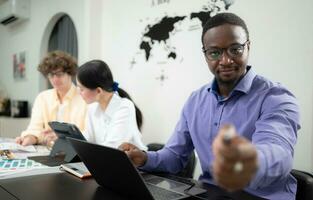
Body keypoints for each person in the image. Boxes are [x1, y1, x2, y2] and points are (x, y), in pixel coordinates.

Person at [119, 13, 300, 200]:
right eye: (215, 52)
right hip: (209, 194)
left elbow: (278, 152)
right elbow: (174, 156)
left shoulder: (276, 97)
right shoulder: (195, 100)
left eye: (235, 49)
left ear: (248, 47)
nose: (226, 60)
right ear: (205, 54)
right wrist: (145, 158)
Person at [15, 51, 87, 146]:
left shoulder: (84, 97)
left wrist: (64, 137)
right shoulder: (43, 98)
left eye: (59, 74)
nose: (55, 79)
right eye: (51, 75)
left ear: (70, 73)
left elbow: (89, 134)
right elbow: (35, 127)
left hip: (75, 152)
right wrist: (29, 137)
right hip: (48, 151)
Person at [76, 60, 147, 150]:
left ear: (98, 91)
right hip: (104, 160)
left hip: (128, 162)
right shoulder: (92, 108)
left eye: (81, 89)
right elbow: (88, 139)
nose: (78, 92)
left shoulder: (124, 107)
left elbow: (111, 148)